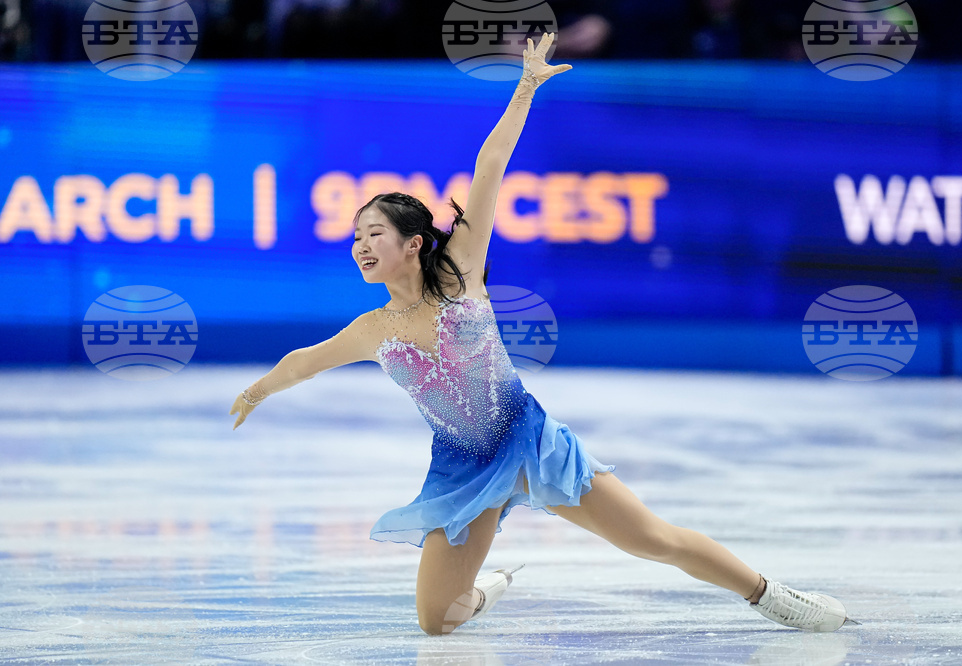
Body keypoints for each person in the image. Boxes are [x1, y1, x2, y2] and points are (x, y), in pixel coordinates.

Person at [229, 32, 857, 636]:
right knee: (436, 622)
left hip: (530, 442)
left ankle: (772, 595)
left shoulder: (462, 271)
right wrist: (260, 389)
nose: (360, 247)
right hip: (463, 470)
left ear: (413, 243)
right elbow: (306, 360)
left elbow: (490, 163)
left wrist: (526, 86)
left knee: (652, 540)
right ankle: (490, 586)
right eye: (355, 238)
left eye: (374, 235)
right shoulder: (373, 329)